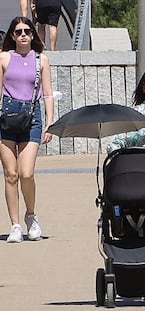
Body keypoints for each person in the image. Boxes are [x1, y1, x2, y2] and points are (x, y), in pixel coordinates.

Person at [0, 16, 54, 242]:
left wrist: (50, 122)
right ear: (12, 36)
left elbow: (48, 93)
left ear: (33, 34)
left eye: (27, 31)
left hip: (32, 117)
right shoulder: (3, 58)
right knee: (10, 175)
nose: (23, 35)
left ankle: (31, 216)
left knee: (26, 173)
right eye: (19, 31)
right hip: (6, 118)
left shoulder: (41, 59)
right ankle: (14, 225)